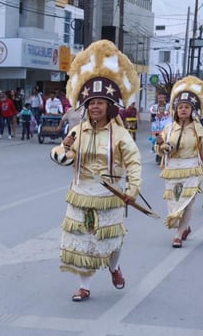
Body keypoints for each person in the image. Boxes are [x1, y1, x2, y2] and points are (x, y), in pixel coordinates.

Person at [49, 40, 143, 302]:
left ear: (110, 106)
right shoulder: (77, 131)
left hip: (110, 195)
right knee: (82, 240)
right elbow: (60, 159)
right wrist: (64, 147)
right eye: (91, 103)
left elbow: (134, 163)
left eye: (101, 103)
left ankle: (114, 268)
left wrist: (132, 190)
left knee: (111, 241)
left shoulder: (121, 135)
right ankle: (84, 286)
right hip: (80, 193)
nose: (95, 107)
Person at [154, 76, 203, 246]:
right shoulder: (169, 128)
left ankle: (178, 235)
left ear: (192, 109)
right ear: (175, 109)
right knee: (175, 202)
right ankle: (184, 227)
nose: (183, 110)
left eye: (187, 107)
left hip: (192, 168)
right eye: (180, 107)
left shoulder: (198, 129)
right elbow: (161, 149)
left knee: (188, 203)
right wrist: (162, 146)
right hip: (172, 169)